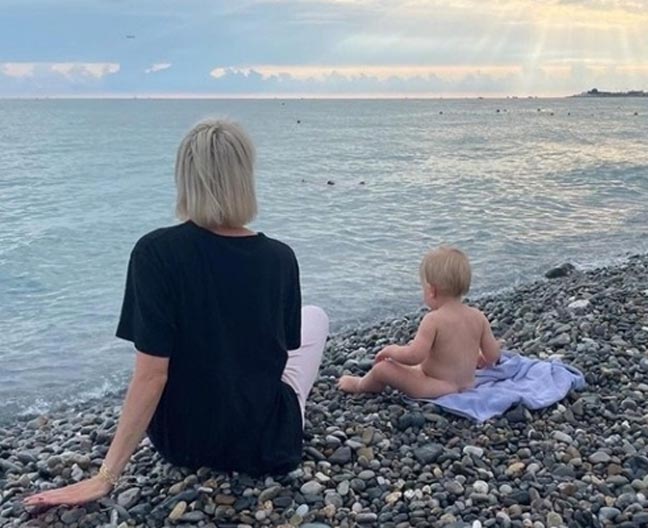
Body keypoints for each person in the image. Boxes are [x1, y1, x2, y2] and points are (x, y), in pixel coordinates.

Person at [25, 119, 329, 507]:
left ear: (185, 177)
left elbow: (152, 375)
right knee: (315, 318)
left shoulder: (155, 252)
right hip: (266, 441)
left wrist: (106, 476)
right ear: (245, 177)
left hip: (182, 441)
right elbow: (282, 348)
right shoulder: (280, 258)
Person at [338, 246, 500, 398]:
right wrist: (478, 357)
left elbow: (414, 356)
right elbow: (493, 355)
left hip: (438, 386)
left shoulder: (433, 319)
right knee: (422, 360)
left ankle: (360, 385)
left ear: (432, 291)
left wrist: (391, 350)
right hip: (467, 384)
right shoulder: (478, 316)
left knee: (383, 368)